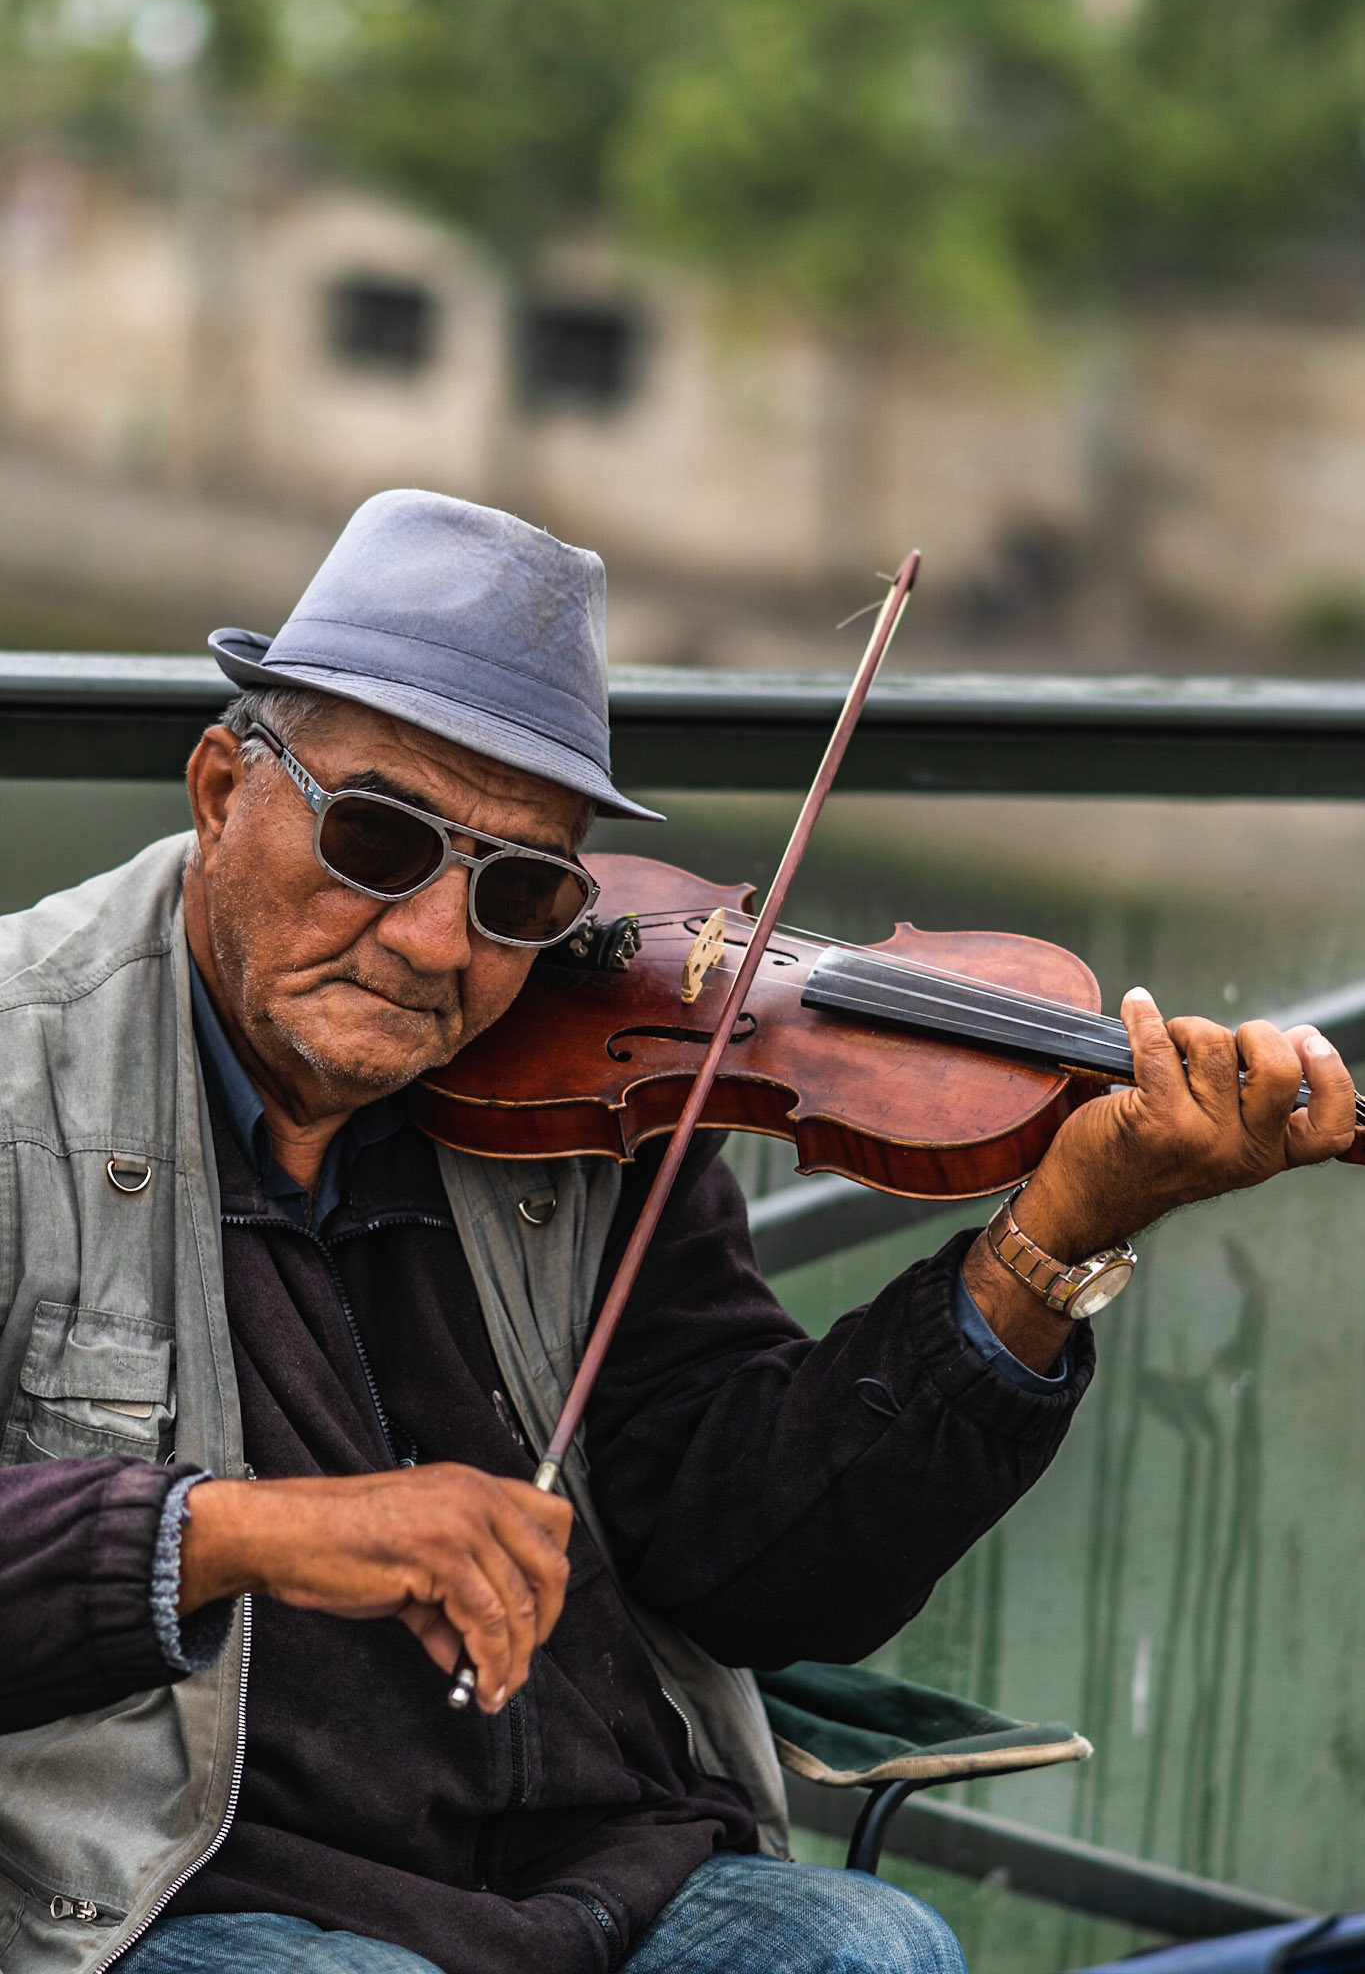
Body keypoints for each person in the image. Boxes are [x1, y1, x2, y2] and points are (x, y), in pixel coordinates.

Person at [0, 491, 1354, 1974]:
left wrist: (1054, 1237)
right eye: (378, 840)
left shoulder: (604, 1081)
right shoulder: (20, 1064)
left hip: (595, 1867)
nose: (440, 942)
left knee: (871, 1954)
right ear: (219, 791)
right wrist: (244, 1534)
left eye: (519, 889)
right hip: (173, 1882)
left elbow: (750, 1565)